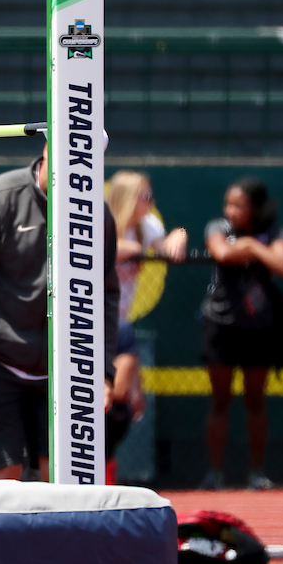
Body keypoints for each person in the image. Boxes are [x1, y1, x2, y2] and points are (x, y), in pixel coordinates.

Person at [0, 144, 119, 480]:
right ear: (46, 155)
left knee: (63, 479)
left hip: (65, 368)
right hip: (0, 363)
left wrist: (103, 372)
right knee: (4, 477)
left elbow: (104, 295)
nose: (73, 180)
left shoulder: (96, 213)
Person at [199, 177, 283, 490]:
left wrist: (250, 245)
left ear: (255, 208)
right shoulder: (218, 226)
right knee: (220, 401)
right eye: (228, 204)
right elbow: (222, 253)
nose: (230, 210)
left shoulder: (276, 233)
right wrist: (253, 248)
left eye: (238, 205)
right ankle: (214, 474)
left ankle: (257, 473)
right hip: (220, 326)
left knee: (256, 401)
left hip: (259, 329)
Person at [103, 171, 187, 482]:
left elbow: (165, 247)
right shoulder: (99, 218)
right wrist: (137, 250)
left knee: (123, 401)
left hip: (119, 325)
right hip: (84, 322)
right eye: (145, 196)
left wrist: (178, 233)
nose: (150, 203)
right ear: (128, 198)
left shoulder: (146, 224)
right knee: (95, 397)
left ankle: (105, 474)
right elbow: (110, 246)